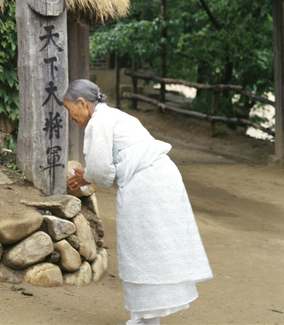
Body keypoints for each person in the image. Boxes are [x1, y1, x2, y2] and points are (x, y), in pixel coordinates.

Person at [64, 79, 212, 325]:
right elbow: (106, 168)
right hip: (162, 177)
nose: (71, 118)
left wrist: (86, 176)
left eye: (70, 111)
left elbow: (100, 171)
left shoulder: (99, 121)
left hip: (147, 183)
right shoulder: (114, 115)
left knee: (142, 248)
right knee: (155, 249)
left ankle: (145, 318)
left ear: (81, 103)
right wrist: (89, 175)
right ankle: (147, 318)